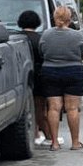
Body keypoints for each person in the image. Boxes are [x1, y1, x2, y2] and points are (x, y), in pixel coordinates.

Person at [39, 6, 83, 150]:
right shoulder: (77, 35)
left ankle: (54, 143)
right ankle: (74, 143)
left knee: (54, 108)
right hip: (73, 71)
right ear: (69, 19)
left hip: (50, 71)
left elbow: (42, 52)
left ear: (54, 18)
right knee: (72, 108)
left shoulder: (46, 35)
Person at [17, 10, 52, 147]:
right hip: (39, 76)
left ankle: (34, 133)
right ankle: (45, 135)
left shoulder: (16, 39)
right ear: (37, 23)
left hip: (19, 77)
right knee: (39, 107)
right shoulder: (41, 39)